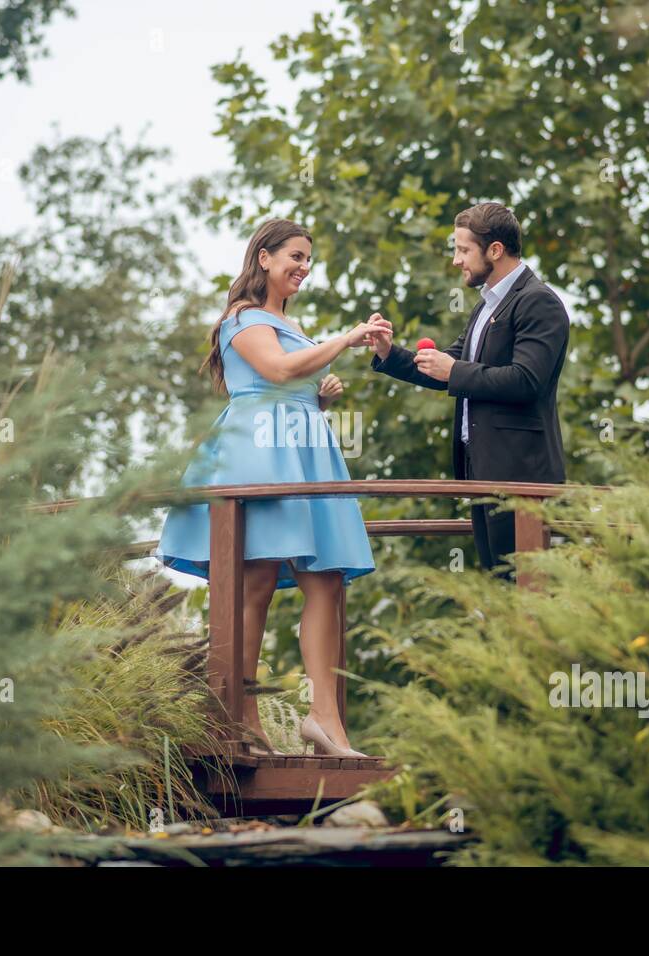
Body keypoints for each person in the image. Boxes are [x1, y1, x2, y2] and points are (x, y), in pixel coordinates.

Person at [156, 219, 384, 757]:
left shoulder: (290, 321)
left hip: (305, 448)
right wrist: (347, 339)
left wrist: (319, 399)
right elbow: (276, 372)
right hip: (259, 450)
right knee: (253, 584)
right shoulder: (242, 317)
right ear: (264, 257)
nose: (303, 267)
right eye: (295, 256)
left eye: (309, 259)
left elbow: (292, 381)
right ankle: (239, 719)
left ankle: (325, 721)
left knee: (327, 582)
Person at [366, 202, 569, 579]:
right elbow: (446, 367)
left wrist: (455, 370)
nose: (457, 260)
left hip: (521, 479)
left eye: (463, 250)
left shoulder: (538, 302)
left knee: (527, 595)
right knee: (501, 591)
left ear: (495, 250)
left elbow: (526, 381)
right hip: (484, 475)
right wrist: (388, 353)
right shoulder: (487, 306)